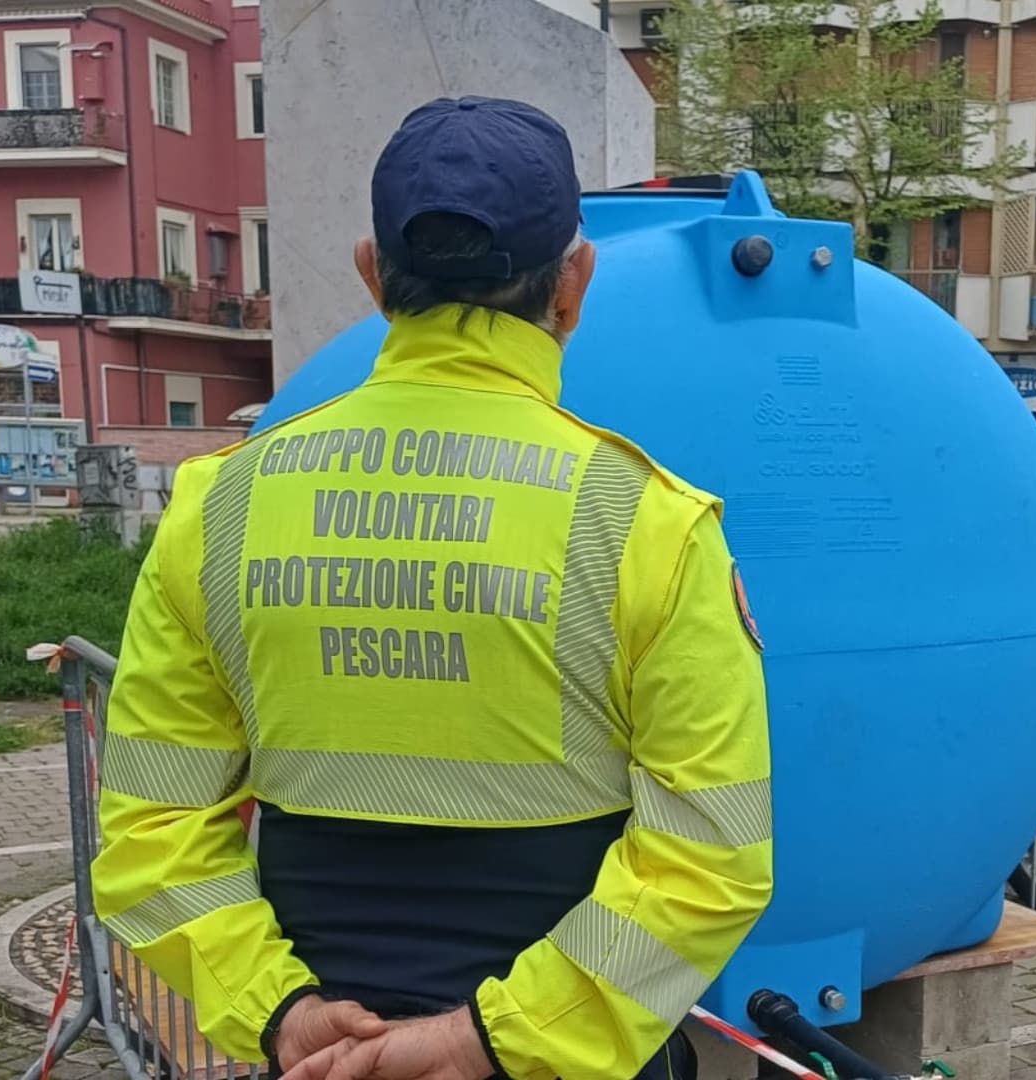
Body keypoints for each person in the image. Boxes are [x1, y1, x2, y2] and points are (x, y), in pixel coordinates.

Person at [90, 96, 775, 1080]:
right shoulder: (651, 525)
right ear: (575, 284)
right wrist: (491, 1041)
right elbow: (712, 861)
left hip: (320, 1056)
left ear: (372, 275)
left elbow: (151, 835)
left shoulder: (218, 509)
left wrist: (279, 1012)